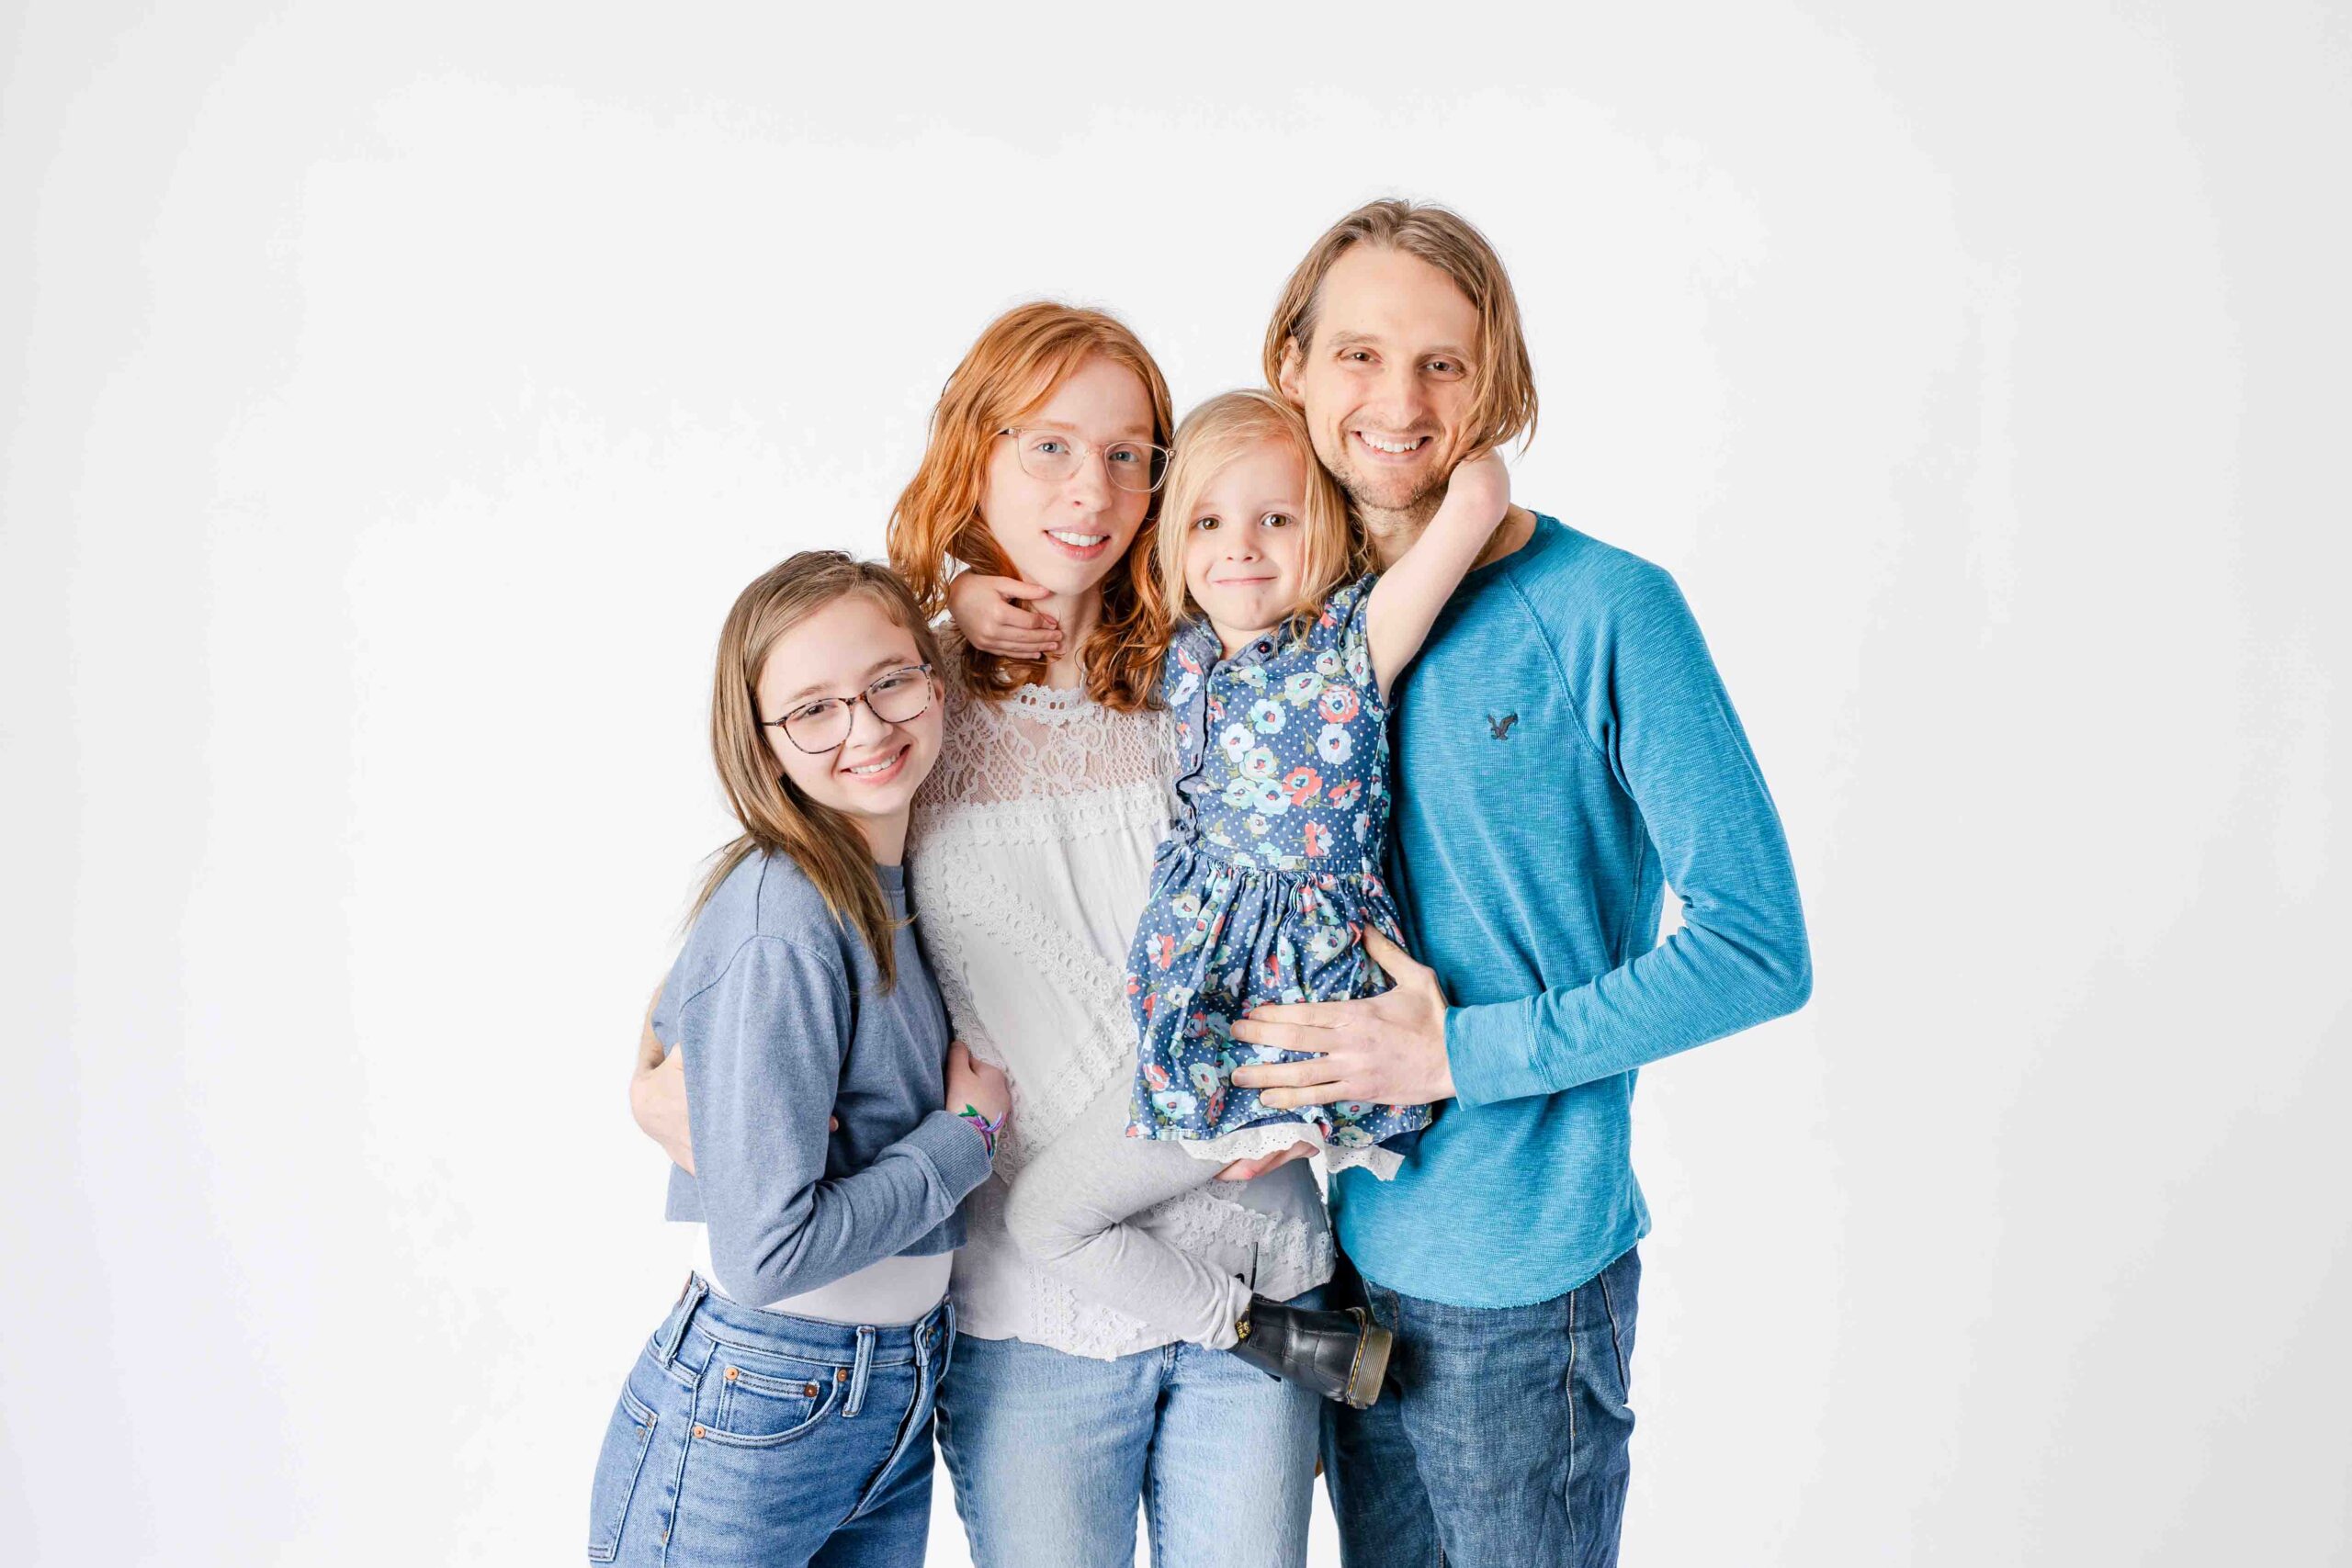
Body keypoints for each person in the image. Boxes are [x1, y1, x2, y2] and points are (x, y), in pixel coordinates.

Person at [634, 303, 1336, 1568]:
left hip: (1253, 1242)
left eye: (1134, 454)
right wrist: (671, 1097)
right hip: (1026, 1299)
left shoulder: (1207, 667)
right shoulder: (899, 694)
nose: (1098, 488)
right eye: (1053, 447)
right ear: (975, 449)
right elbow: (727, 977)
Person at [1216, 199, 1815, 1568]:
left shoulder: (1610, 608)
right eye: (1359, 354)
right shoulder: (1281, 615)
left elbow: (1757, 946)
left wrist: (1457, 1052)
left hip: (1522, 1282)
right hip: (1334, 1253)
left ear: (1502, 387)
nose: (1398, 401)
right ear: (1291, 364)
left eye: (1444, 362)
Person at [985, 388, 1510, 1409]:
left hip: (1272, 1021)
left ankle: (1280, 1339)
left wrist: (1416, 441)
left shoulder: (1353, 643)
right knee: (1052, 1213)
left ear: (1326, 527)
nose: (1243, 549)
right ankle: (1281, 1332)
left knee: (1047, 1217)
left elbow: (1480, 494)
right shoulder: (1181, 647)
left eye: (1278, 518)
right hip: (1201, 1010)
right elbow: (1046, 589)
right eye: (1210, 522)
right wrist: (967, 595)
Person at [588, 552, 1008, 1568]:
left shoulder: (885, 875)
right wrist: (966, 1140)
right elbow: (766, 1255)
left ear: (932, 677)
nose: (865, 728)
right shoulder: (788, 912)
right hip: (764, 1395)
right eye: (812, 711)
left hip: (884, 1387)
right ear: (764, 745)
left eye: (890, 683)